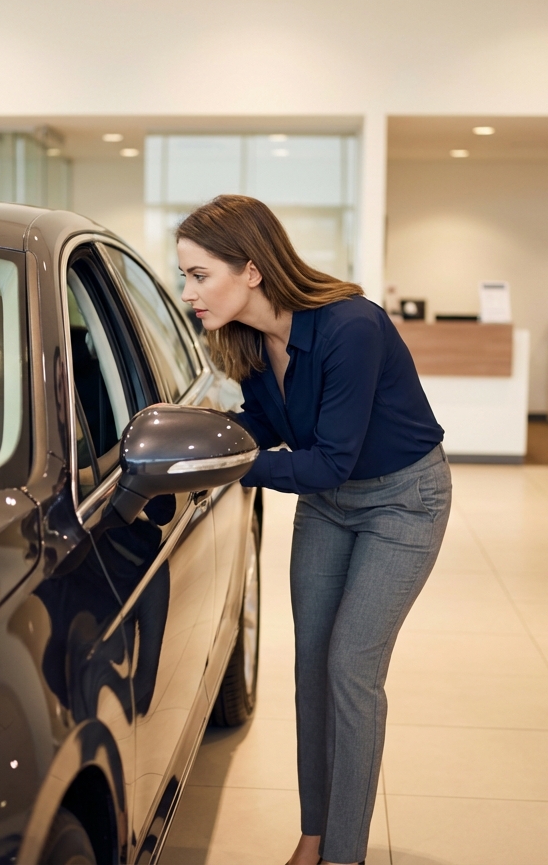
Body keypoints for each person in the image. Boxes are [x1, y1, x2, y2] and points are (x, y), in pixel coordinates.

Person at [176, 195, 451, 865]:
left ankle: (344, 856)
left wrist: (230, 470)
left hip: (402, 503)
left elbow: (330, 459)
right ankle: (314, 833)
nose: (188, 294)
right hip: (329, 504)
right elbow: (269, 430)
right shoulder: (245, 339)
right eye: (184, 276)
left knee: (350, 668)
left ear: (251, 269)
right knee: (310, 670)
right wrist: (199, 444)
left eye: (198, 275)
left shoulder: (351, 327)